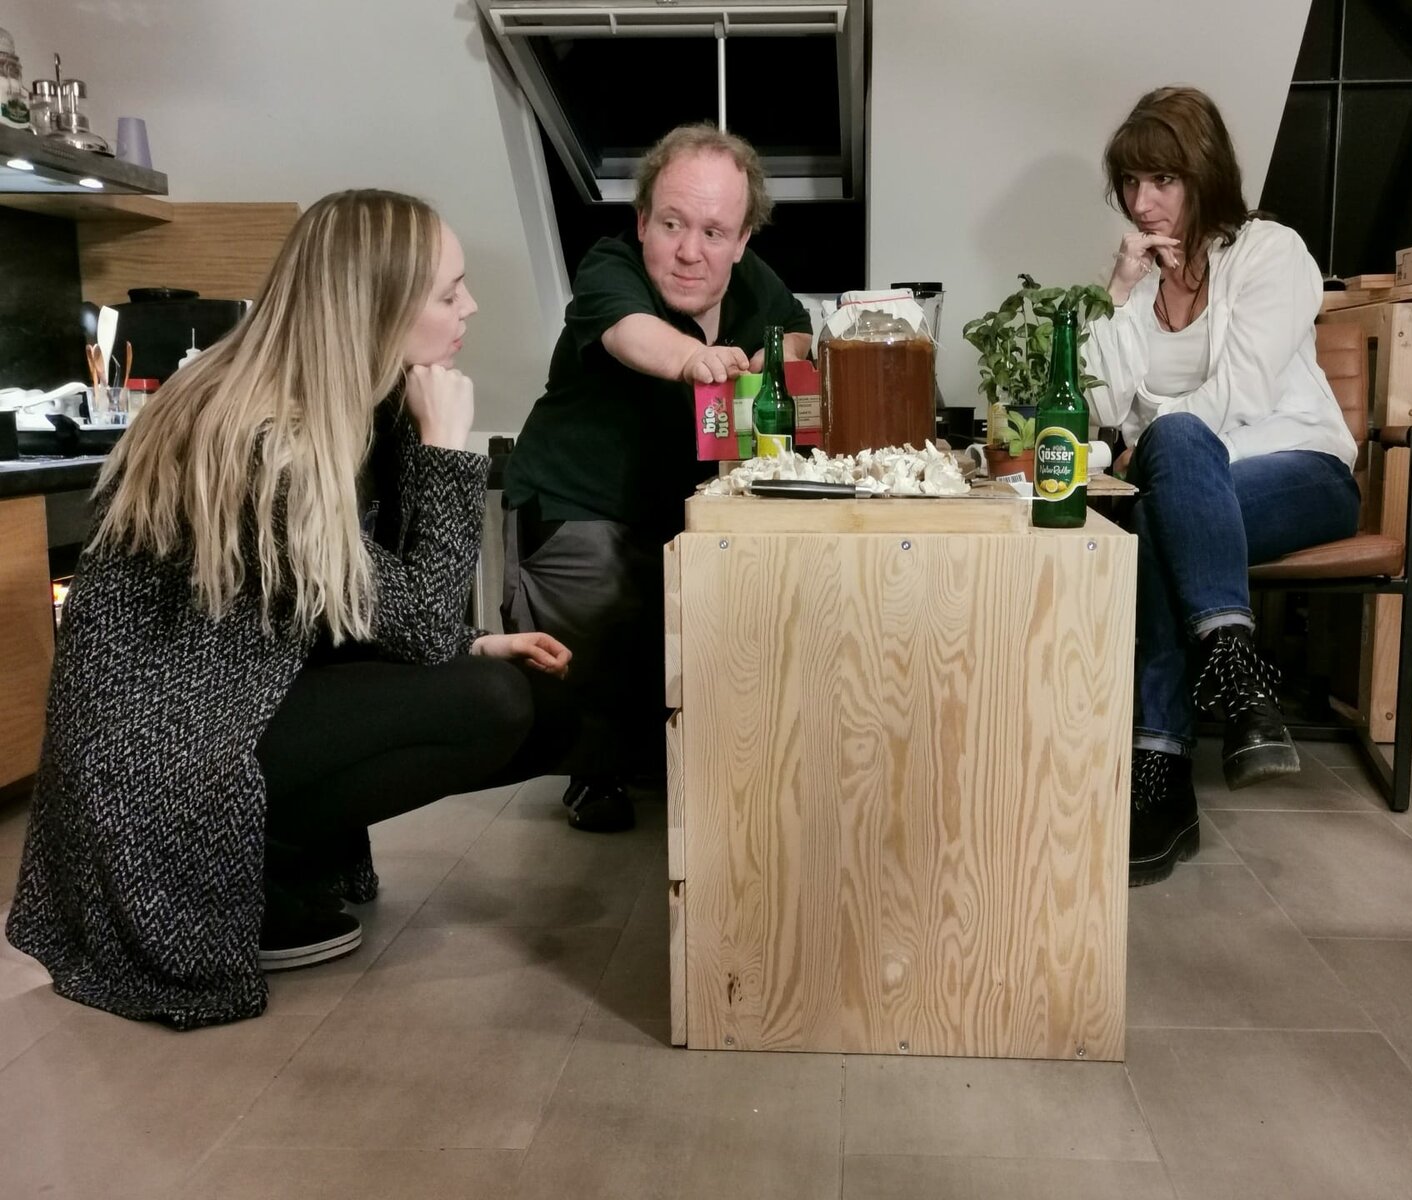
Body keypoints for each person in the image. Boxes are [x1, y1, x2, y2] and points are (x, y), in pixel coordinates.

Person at [5, 189, 576, 1029]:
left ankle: (273, 858)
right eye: (448, 292)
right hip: (167, 762)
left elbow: (365, 601)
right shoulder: (261, 437)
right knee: (490, 702)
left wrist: (473, 641)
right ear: (376, 306)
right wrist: (449, 452)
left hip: (239, 701)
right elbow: (415, 623)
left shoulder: (354, 408)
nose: (471, 308)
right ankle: (251, 873)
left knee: (551, 698)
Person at [1083, 87, 1361, 886]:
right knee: (1157, 516)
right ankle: (1237, 680)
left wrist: (1155, 444)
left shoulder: (1272, 252)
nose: (1143, 202)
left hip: (1300, 472)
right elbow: (1101, 404)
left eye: (1163, 180)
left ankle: (1161, 772)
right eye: (1131, 182)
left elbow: (1240, 394)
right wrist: (1118, 291)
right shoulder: (1141, 279)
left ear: (1204, 175)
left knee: (1169, 459)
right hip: (1183, 501)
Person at [501, 123, 813, 833]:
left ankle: (660, 754)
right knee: (594, 650)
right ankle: (592, 772)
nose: (690, 251)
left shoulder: (753, 282)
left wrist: (774, 358)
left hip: (681, 510)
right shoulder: (609, 267)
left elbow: (796, 328)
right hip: (580, 504)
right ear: (643, 221)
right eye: (672, 224)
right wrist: (696, 360)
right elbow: (630, 333)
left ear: (741, 240)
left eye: (713, 232)